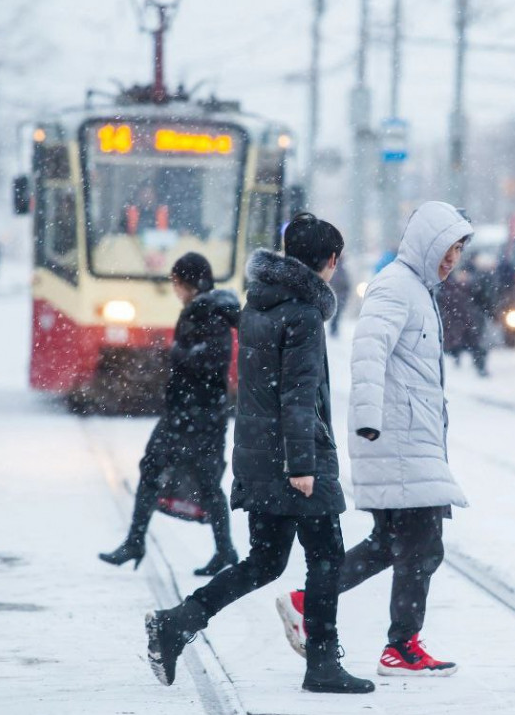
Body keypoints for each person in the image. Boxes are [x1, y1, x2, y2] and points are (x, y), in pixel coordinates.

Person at [144, 214, 373, 695]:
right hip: (296, 456)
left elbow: (259, 390)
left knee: (265, 561)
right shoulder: (305, 314)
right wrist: (304, 466)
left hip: (257, 454)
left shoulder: (260, 303)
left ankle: (178, 622)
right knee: (327, 556)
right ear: (330, 261)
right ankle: (323, 664)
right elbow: (297, 394)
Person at [277, 201, 473, 677]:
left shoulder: (417, 290)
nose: (451, 260)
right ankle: (401, 647)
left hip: (409, 439)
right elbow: (368, 351)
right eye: (446, 249)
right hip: (396, 439)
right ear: (426, 243)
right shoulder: (396, 287)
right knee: (424, 545)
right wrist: (367, 421)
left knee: (390, 544)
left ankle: (308, 600)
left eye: (458, 251)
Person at [99, 253, 241, 576]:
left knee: (201, 481)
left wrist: (176, 354)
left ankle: (222, 549)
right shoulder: (204, 310)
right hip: (190, 412)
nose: (175, 289)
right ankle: (139, 541)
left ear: (189, 284)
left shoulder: (211, 313)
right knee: (160, 469)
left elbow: (213, 360)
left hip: (198, 414)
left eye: (177, 282)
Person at [438, 258, 493, 376]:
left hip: (473, 323)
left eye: (466, 273)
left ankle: (480, 367)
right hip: (455, 324)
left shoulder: (475, 287)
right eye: (461, 273)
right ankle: (456, 360)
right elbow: (442, 303)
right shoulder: (448, 287)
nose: (463, 276)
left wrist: (484, 313)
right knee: (455, 345)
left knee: (477, 345)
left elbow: (484, 303)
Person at [329, 257, 351, 337]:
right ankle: (333, 330)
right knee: (336, 315)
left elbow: (346, 285)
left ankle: (334, 330)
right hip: (336, 295)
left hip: (339, 295)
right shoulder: (334, 269)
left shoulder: (341, 269)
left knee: (337, 315)